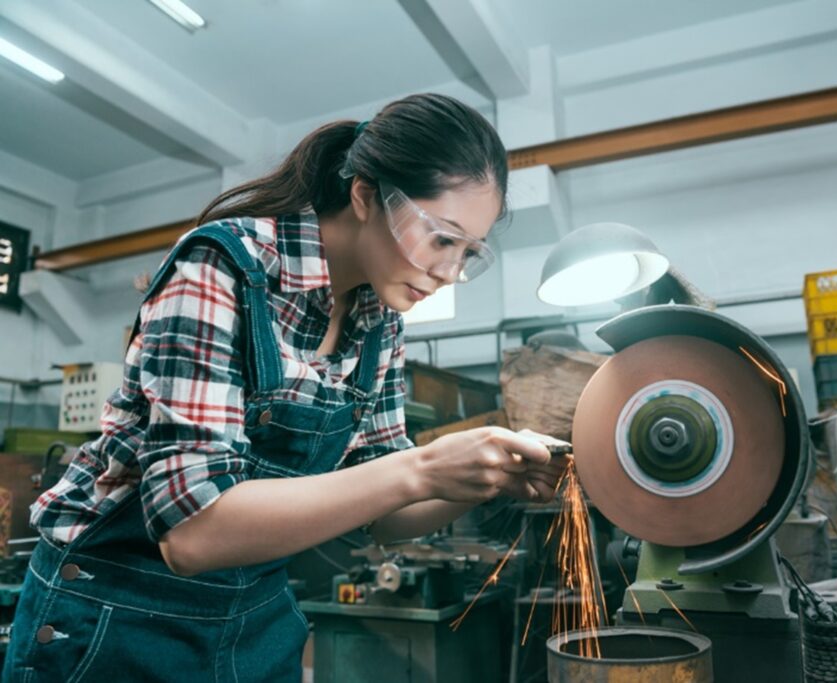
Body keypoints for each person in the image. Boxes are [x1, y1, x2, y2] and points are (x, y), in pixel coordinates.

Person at [3, 93, 567, 682]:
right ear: (366, 194)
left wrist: (486, 478)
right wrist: (420, 468)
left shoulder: (380, 319)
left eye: (469, 253)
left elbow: (384, 513)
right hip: (115, 617)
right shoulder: (223, 267)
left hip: (254, 616)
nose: (449, 272)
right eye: (442, 238)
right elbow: (192, 534)